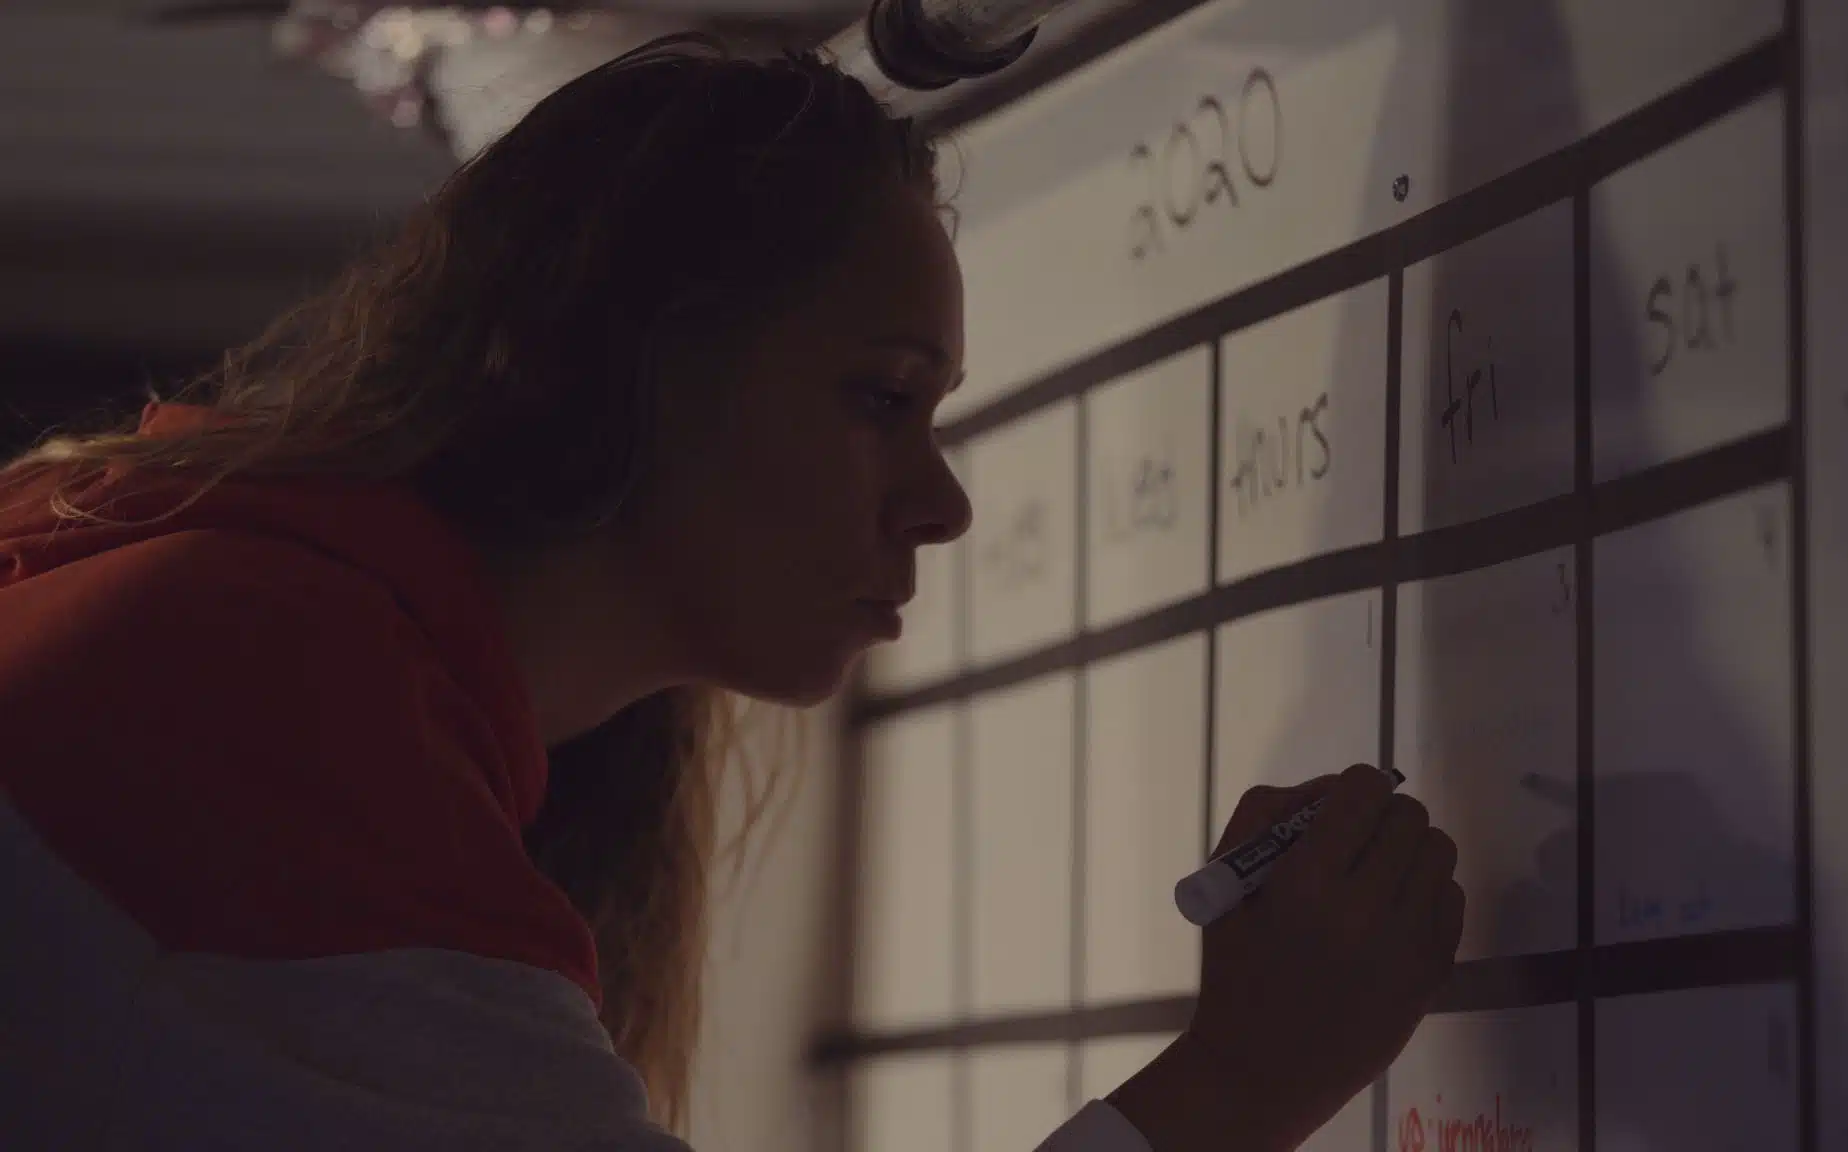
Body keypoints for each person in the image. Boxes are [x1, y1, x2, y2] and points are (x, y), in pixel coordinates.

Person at [0, 36, 1463, 1152]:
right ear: (618, 362)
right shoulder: (262, 706)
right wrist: (1238, 1087)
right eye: (880, 397)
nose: (943, 505)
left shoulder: (229, 611)